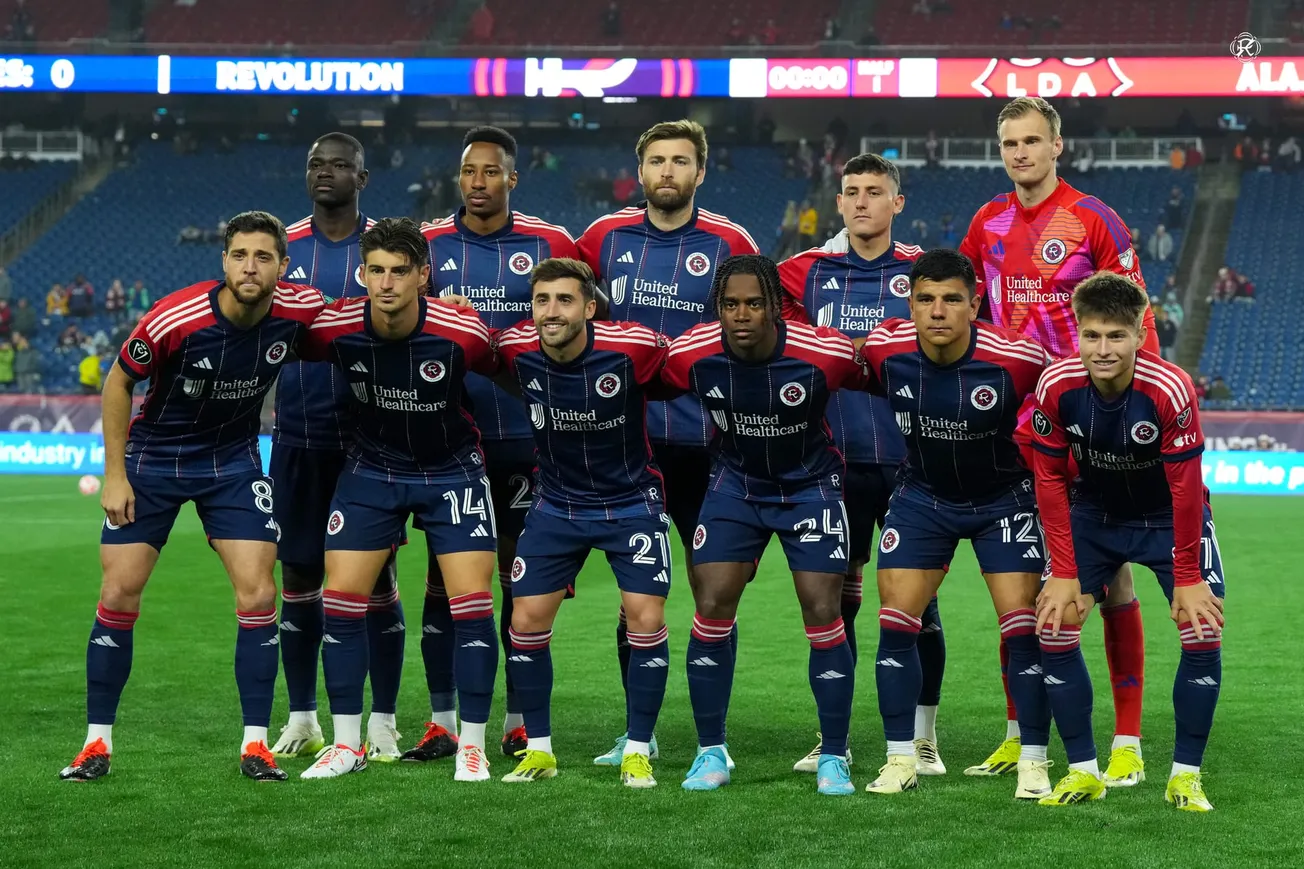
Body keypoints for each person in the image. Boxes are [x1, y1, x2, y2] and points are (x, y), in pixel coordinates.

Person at [59, 211, 324, 783]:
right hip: (154, 461)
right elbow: (118, 381)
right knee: (119, 593)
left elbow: (358, 326)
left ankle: (256, 745)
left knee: (259, 594)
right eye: (239, 255)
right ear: (223, 260)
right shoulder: (176, 317)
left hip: (232, 462)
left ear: (283, 265)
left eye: (262, 257)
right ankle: (95, 744)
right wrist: (115, 475)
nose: (249, 267)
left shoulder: (300, 311)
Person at [959, 96, 1158, 784]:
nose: (1020, 153)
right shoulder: (987, 221)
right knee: (1019, 585)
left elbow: (1138, 321)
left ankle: (1127, 740)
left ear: (1057, 146)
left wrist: (1144, 415)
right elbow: (965, 310)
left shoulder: (1093, 218)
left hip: (1091, 427)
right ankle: (1021, 732)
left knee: (1116, 578)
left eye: (1032, 141)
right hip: (1015, 429)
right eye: (1010, 142)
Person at [578, 120, 759, 765]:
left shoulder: (730, 241)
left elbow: (754, 331)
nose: (667, 172)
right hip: (624, 447)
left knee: (714, 594)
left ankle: (715, 736)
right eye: (656, 160)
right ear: (641, 169)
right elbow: (568, 313)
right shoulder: (602, 238)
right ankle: (639, 733)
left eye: (680, 161)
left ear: (700, 172)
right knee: (638, 598)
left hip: (708, 447)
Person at [296, 218, 500, 782]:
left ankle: (472, 746)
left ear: (423, 277)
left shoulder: (463, 331)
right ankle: (345, 744)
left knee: (472, 606)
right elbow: (267, 334)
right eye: (376, 271)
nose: (386, 284)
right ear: (361, 274)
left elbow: (517, 370)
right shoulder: (333, 327)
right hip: (371, 469)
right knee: (339, 600)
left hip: (452, 471)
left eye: (400, 272)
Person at [661, 255, 864, 796]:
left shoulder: (823, 353)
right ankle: (710, 751)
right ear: (718, 309)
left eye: (754, 303)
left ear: (776, 306)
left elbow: (882, 372)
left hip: (811, 487)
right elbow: (639, 377)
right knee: (710, 606)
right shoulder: (691, 356)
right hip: (735, 486)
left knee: (823, 609)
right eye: (731, 304)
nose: (742, 315)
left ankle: (835, 754)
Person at [855, 249, 1054, 799]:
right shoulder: (884, 349)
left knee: (1022, 629)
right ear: (909, 303)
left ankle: (1034, 759)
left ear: (976, 303)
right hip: (922, 498)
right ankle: (901, 759)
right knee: (895, 624)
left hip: (1003, 501)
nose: (937, 311)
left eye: (951, 299)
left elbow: (1067, 401)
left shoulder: (1018, 359)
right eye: (925, 299)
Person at [777, 154, 949, 776]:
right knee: (836, 606)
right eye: (851, 192)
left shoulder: (924, 274)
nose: (860, 203)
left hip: (912, 464)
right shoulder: (804, 272)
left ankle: (924, 740)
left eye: (875, 192)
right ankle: (835, 740)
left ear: (896, 204)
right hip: (834, 466)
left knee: (918, 609)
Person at [1032, 271, 1224, 810]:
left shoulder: (1169, 388)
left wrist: (1187, 577)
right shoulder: (1057, 386)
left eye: (1117, 336)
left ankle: (1185, 776)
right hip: (1095, 516)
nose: (1103, 349)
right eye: (1092, 335)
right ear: (1077, 332)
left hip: (1167, 517)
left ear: (1142, 333)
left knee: (1202, 631)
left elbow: (1186, 490)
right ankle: (1083, 770)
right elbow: (1048, 481)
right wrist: (1066, 570)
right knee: (1053, 626)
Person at [419, 126, 579, 761]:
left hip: (524, 439)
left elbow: (575, 325)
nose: (479, 183)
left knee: (520, 579)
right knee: (442, 580)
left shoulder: (549, 244)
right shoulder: (428, 246)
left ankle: (516, 718)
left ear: (514, 178)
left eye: (492, 172)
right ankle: (441, 719)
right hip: (446, 440)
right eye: (469, 172)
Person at [494, 257, 672, 788]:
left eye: (565, 300)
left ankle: (639, 748)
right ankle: (539, 749)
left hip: (631, 503)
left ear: (590, 307)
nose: (552, 311)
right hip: (556, 505)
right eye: (542, 300)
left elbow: (685, 361)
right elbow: (475, 348)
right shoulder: (515, 350)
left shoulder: (632, 348)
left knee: (644, 618)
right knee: (525, 621)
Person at [269, 132, 407, 763]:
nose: (325, 174)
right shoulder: (284, 246)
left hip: (370, 441)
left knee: (377, 580)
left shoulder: (385, 249)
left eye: (339, 165)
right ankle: (302, 717)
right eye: (314, 163)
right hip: (298, 437)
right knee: (296, 574)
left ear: (363, 175)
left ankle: (382, 720)